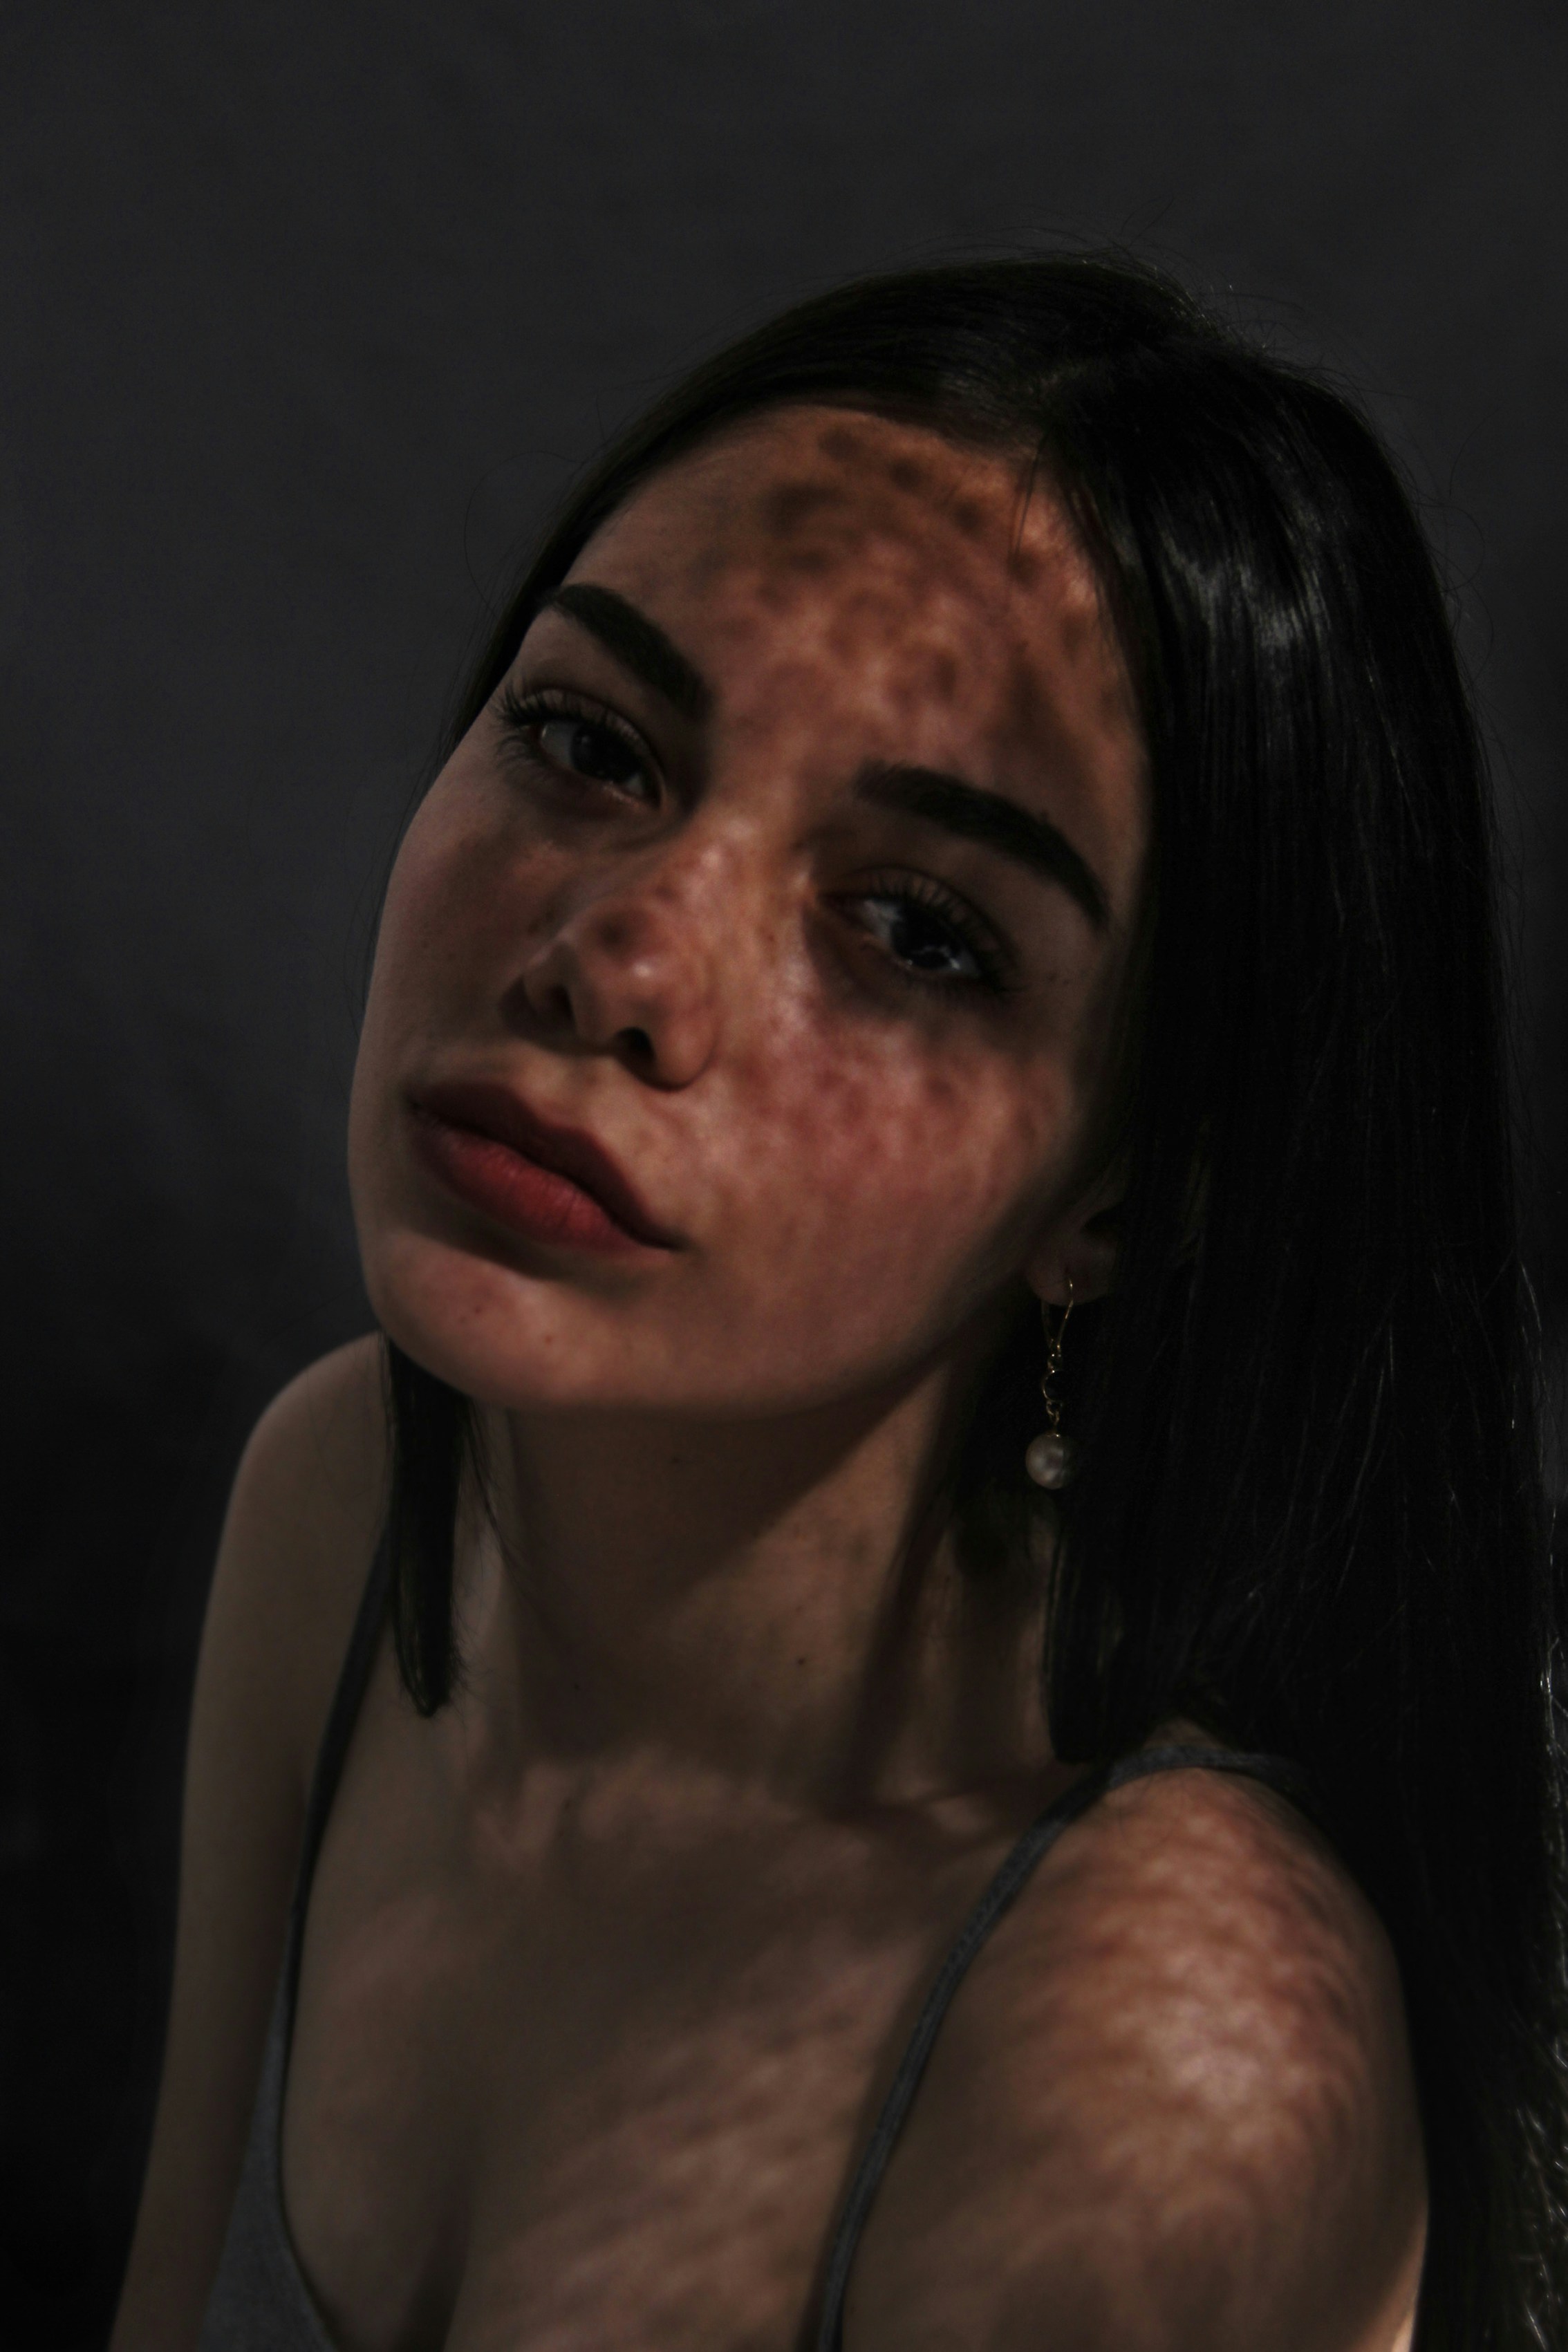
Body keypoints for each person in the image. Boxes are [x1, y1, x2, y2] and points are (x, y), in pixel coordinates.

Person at [109, 254, 1565, 2352]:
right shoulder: (346, 1513)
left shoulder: (1159, 2055)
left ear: (1124, 1202)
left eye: (915, 929)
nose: (620, 956)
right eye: (587, 741)